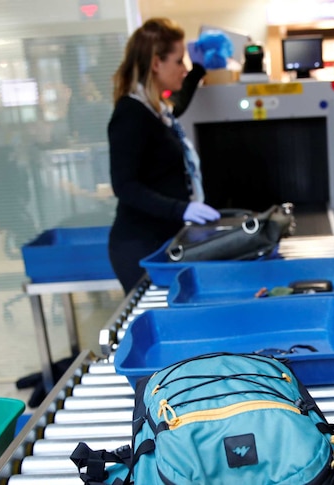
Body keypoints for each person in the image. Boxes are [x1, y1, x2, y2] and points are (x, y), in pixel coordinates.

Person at [108, 17, 219, 293]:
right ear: (156, 63)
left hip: (164, 238)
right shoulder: (130, 113)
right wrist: (181, 209)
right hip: (140, 247)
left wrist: (199, 70)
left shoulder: (158, 110)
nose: (184, 68)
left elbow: (176, 108)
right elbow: (124, 186)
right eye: (179, 61)